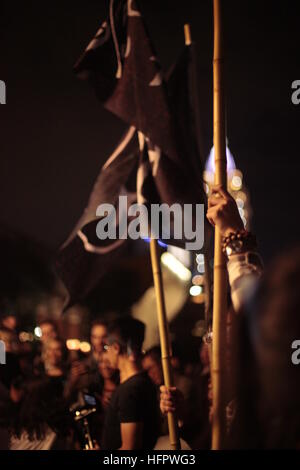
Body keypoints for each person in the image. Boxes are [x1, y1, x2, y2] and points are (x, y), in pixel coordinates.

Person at [101, 317, 160, 450]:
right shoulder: (143, 382)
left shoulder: (130, 391)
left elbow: (130, 449)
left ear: (116, 348)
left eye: (106, 347)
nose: (105, 354)